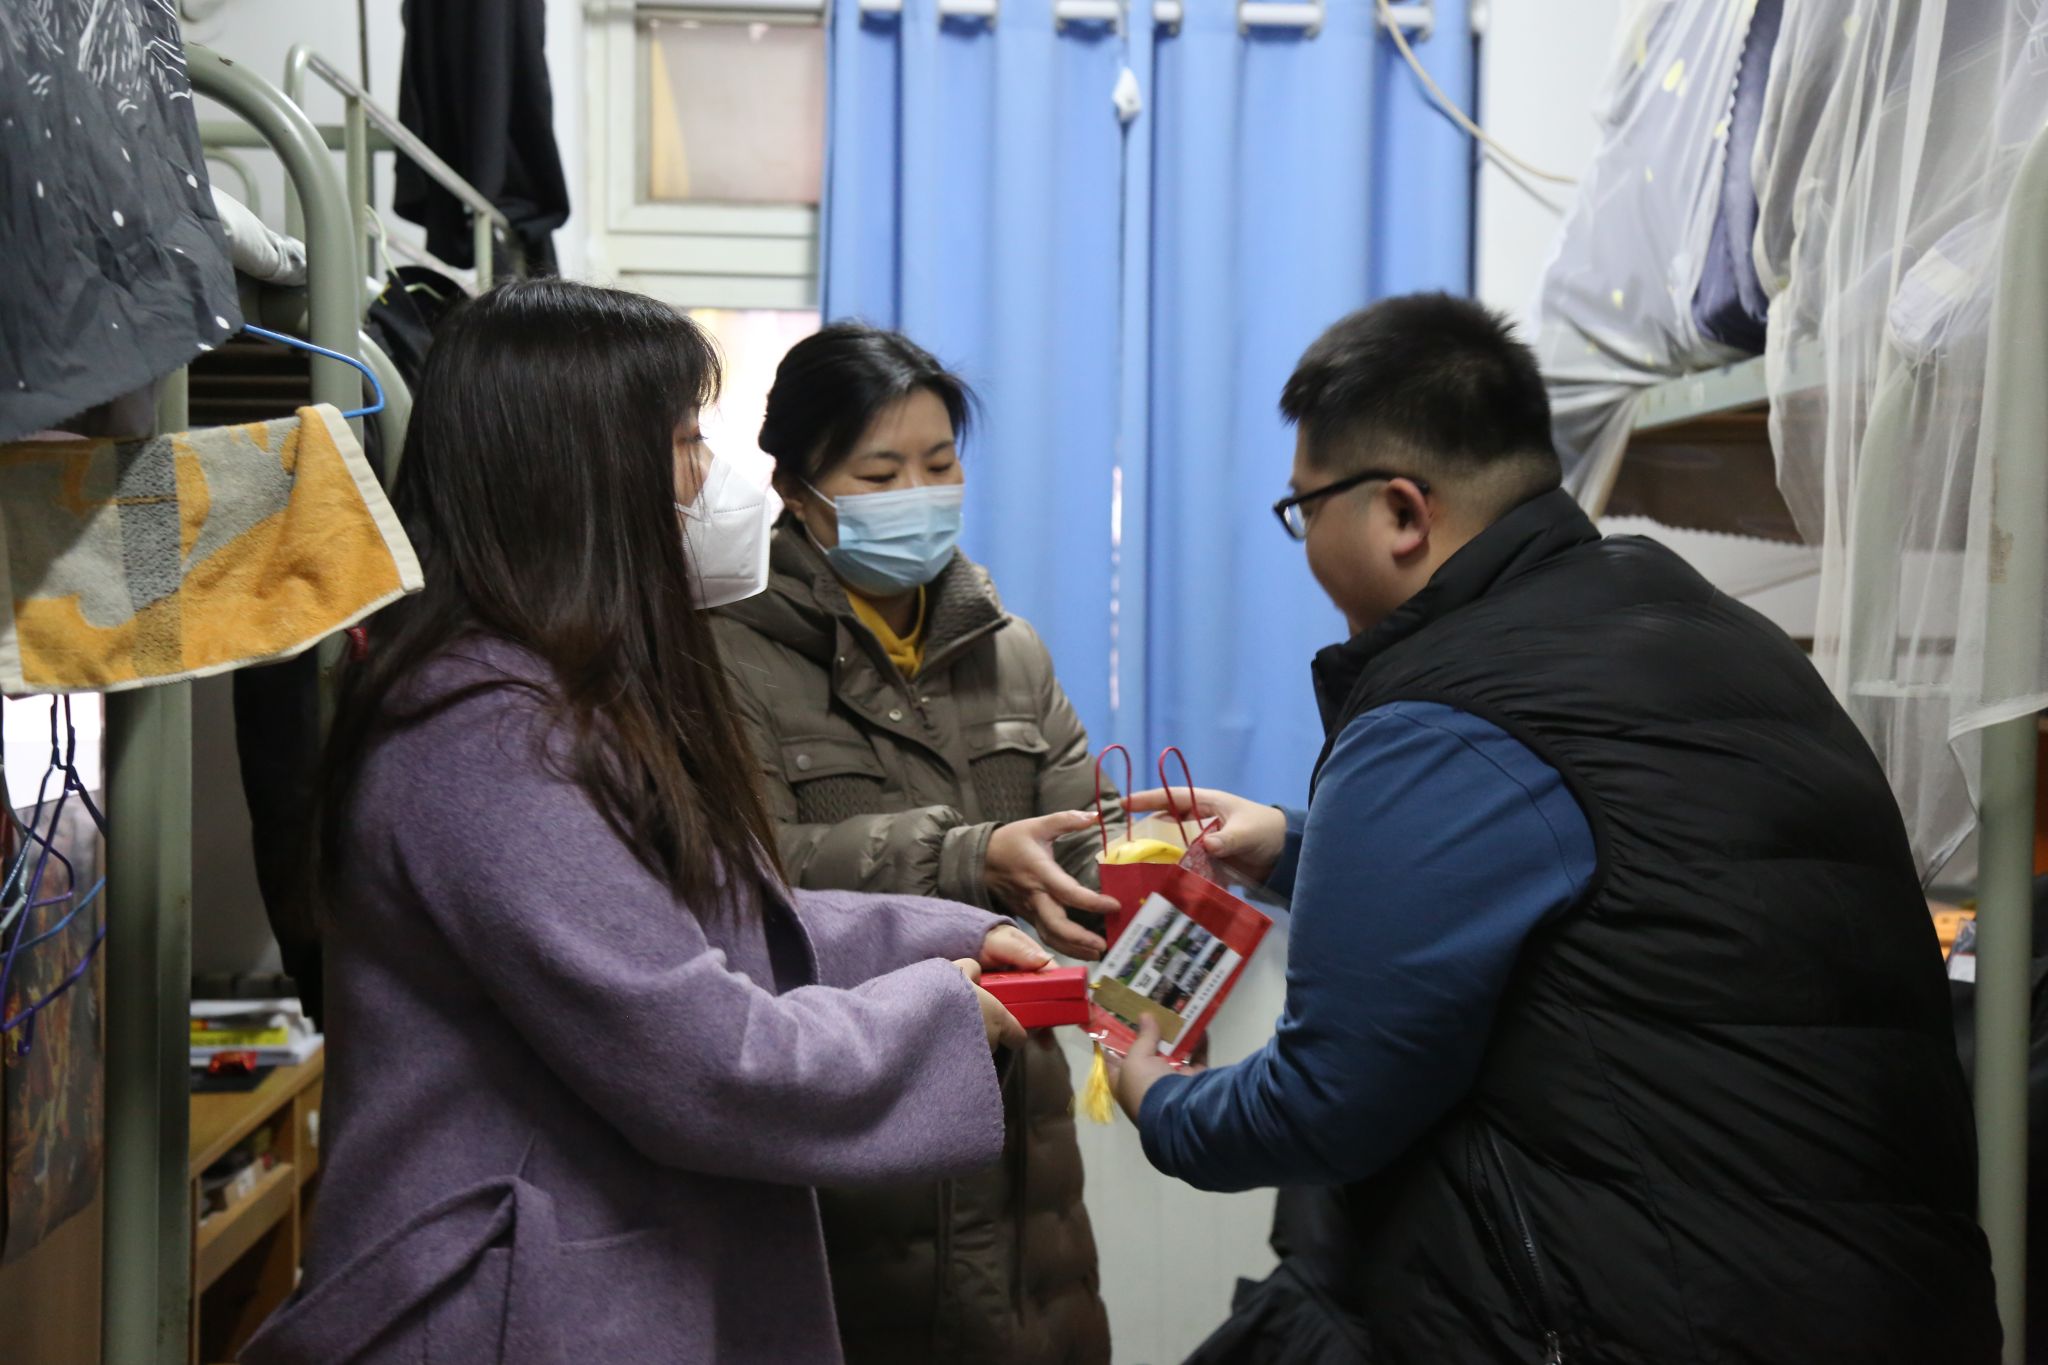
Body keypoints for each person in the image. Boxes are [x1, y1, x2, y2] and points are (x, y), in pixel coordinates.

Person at [1110, 294, 2001, 1363]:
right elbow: (1610, 900)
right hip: (1874, 1299)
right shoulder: (1698, 628)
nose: (1302, 539)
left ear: (1401, 512)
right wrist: (1297, 846)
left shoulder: (1439, 706)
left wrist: (1161, 1102)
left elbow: (1327, 1101)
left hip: (1670, 1314)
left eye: (1303, 508)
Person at [241, 280, 1052, 1365]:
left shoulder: (551, 693)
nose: (707, 478)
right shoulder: (482, 739)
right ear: (584, 474)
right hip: (499, 1314)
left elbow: (715, 922)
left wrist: (949, 934)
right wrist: (938, 1015)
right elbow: (708, 1059)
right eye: (682, 442)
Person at [709, 322, 1113, 1364]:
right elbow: (743, 878)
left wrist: (1148, 869)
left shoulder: (1011, 653)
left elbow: (1076, 855)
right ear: (796, 490)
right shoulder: (721, 655)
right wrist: (964, 857)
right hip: (850, 1142)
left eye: (939, 465)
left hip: (1025, 1155)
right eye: (880, 474)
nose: (918, 494)